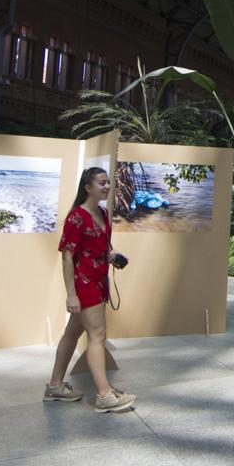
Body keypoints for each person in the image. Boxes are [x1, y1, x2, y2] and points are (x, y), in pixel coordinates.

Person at [44, 167, 135, 413]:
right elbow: (67, 257)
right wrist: (71, 294)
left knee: (72, 333)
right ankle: (104, 394)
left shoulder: (104, 214)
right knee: (97, 336)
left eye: (108, 183)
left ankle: (54, 385)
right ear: (88, 187)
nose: (106, 187)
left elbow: (103, 247)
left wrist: (113, 256)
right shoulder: (77, 217)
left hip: (99, 281)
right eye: (101, 183)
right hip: (84, 284)